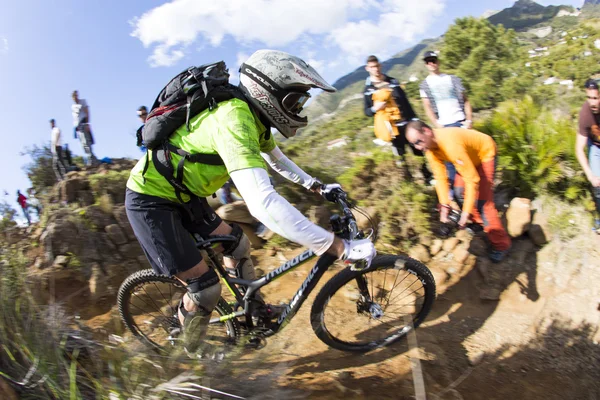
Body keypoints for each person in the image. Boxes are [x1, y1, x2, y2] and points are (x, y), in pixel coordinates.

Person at [125, 50, 376, 353]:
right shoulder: (235, 118)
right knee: (205, 290)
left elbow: (277, 159)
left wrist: (317, 186)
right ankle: (183, 354)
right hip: (151, 201)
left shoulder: (254, 118)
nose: (298, 109)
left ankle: (253, 313)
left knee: (238, 244)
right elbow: (262, 204)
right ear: (269, 93)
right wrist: (339, 248)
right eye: (294, 102)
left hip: (185, 195)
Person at [405, 121, 511, 262]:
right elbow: (440, 178)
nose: (417, 147)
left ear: (427, 131)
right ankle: (479, 222)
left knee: (483, 203)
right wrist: (444, 206)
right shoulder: (430, 149)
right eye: (413, 144)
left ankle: (501, 245)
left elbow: (472, 180)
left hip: (485, 153)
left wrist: (465, 212)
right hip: (469, 159)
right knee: (459, 191)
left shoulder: (450, 144)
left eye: (418, 141)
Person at [363, 55, 432, 182]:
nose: (376, 69)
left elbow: (405, 101)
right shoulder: (368, 89)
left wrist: (414, 119)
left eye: (377, 66)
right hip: (391, 127)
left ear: (380, 65)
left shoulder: (393, 81)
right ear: (367, 68)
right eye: (372, 67)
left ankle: (428, 177)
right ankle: (409, 183)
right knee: (401, 156)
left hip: (408, 124)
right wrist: (375, 108)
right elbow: (367, 111)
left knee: (418, 150)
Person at [420, 51, 473, 199]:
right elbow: (427, 106)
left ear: (438, 61)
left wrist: (469, 119)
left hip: (461, 121)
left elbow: (465, 100)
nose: (432, 63)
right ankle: (458, 194)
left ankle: (475, 190)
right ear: (425, 64)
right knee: (450, 161)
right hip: (444, 126)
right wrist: (437, 124)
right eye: (428, 61)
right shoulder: (425, 85)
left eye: (434, 60)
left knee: (469, 156)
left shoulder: (452, 79)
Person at [576, 78, 600, 232]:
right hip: (596, 147)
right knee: (597, 186)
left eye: (596, 98)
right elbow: (579, 149)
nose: (592, 102)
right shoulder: (585, 114)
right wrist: (591, 175)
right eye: (589, 98)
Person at [71, 90, 97, 166]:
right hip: (77, 126)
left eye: (76, 95)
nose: (75, 97)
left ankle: (92, 159)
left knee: (87, 142)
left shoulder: (83, 102)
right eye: (74, 96)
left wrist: (87, 123)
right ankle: (91, 158)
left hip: (83, 123)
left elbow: (87, 112)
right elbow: (75, 117)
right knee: (83, 144)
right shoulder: (73, 106)